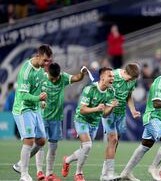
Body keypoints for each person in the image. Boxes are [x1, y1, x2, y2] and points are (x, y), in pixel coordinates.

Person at [12, 63, 87, 180]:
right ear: (48, 74)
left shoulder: (63, 78)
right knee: (40, 144)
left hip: (56, 118)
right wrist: (39, 102)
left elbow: (77, 78)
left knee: (53, 147)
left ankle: (49, 174)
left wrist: (82, 73)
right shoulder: (42, 78)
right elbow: (33, 94)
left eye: (56, 78)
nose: (55, 80)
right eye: (53, 78)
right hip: (42, 116)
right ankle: (39, 171)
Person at [120, 61, 161, 181]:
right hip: (152, 117)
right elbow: (156, 103)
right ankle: (154, 168)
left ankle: (125, 173)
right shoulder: (159, 82)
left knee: (144, 146)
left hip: (157, 118)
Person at [61, 67, 118, 181]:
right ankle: (79, 173)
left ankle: (67, 160)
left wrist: (111, 107)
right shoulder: (89, 89)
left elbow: (105, 114)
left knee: (84, 149)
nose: (112, 78)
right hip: (81, 119)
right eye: (110, 76)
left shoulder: (111, 91)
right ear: (102, 77)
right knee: (87, 146)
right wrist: (97, 108)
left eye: (113, 76)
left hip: (94, 122)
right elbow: (82, 110)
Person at [12, 45, 53, 181]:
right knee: (29, 140)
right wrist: (38, 98)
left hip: (35, 108)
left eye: (49, 61)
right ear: (38, 56)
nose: (47, 63)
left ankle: (19, 165)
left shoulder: (41, 70)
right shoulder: (26, 71)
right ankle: (24, 174)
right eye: (45, 60)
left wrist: (41, 101)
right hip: (23, 108)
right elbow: (23, 95)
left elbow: (40, 87)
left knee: (41, 141)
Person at [100, 63, 141, 181]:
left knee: (115, 143)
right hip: (109, 111)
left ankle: (105, 173)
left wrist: (133, 111)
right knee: (113, 139)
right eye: (130, 78)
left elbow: (129, 96)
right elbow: (100, 88)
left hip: (121, 113)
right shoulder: (112, 75)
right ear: (124, 72)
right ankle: (110, 174)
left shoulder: (132, 80)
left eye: (133, 79)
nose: (131, 81)